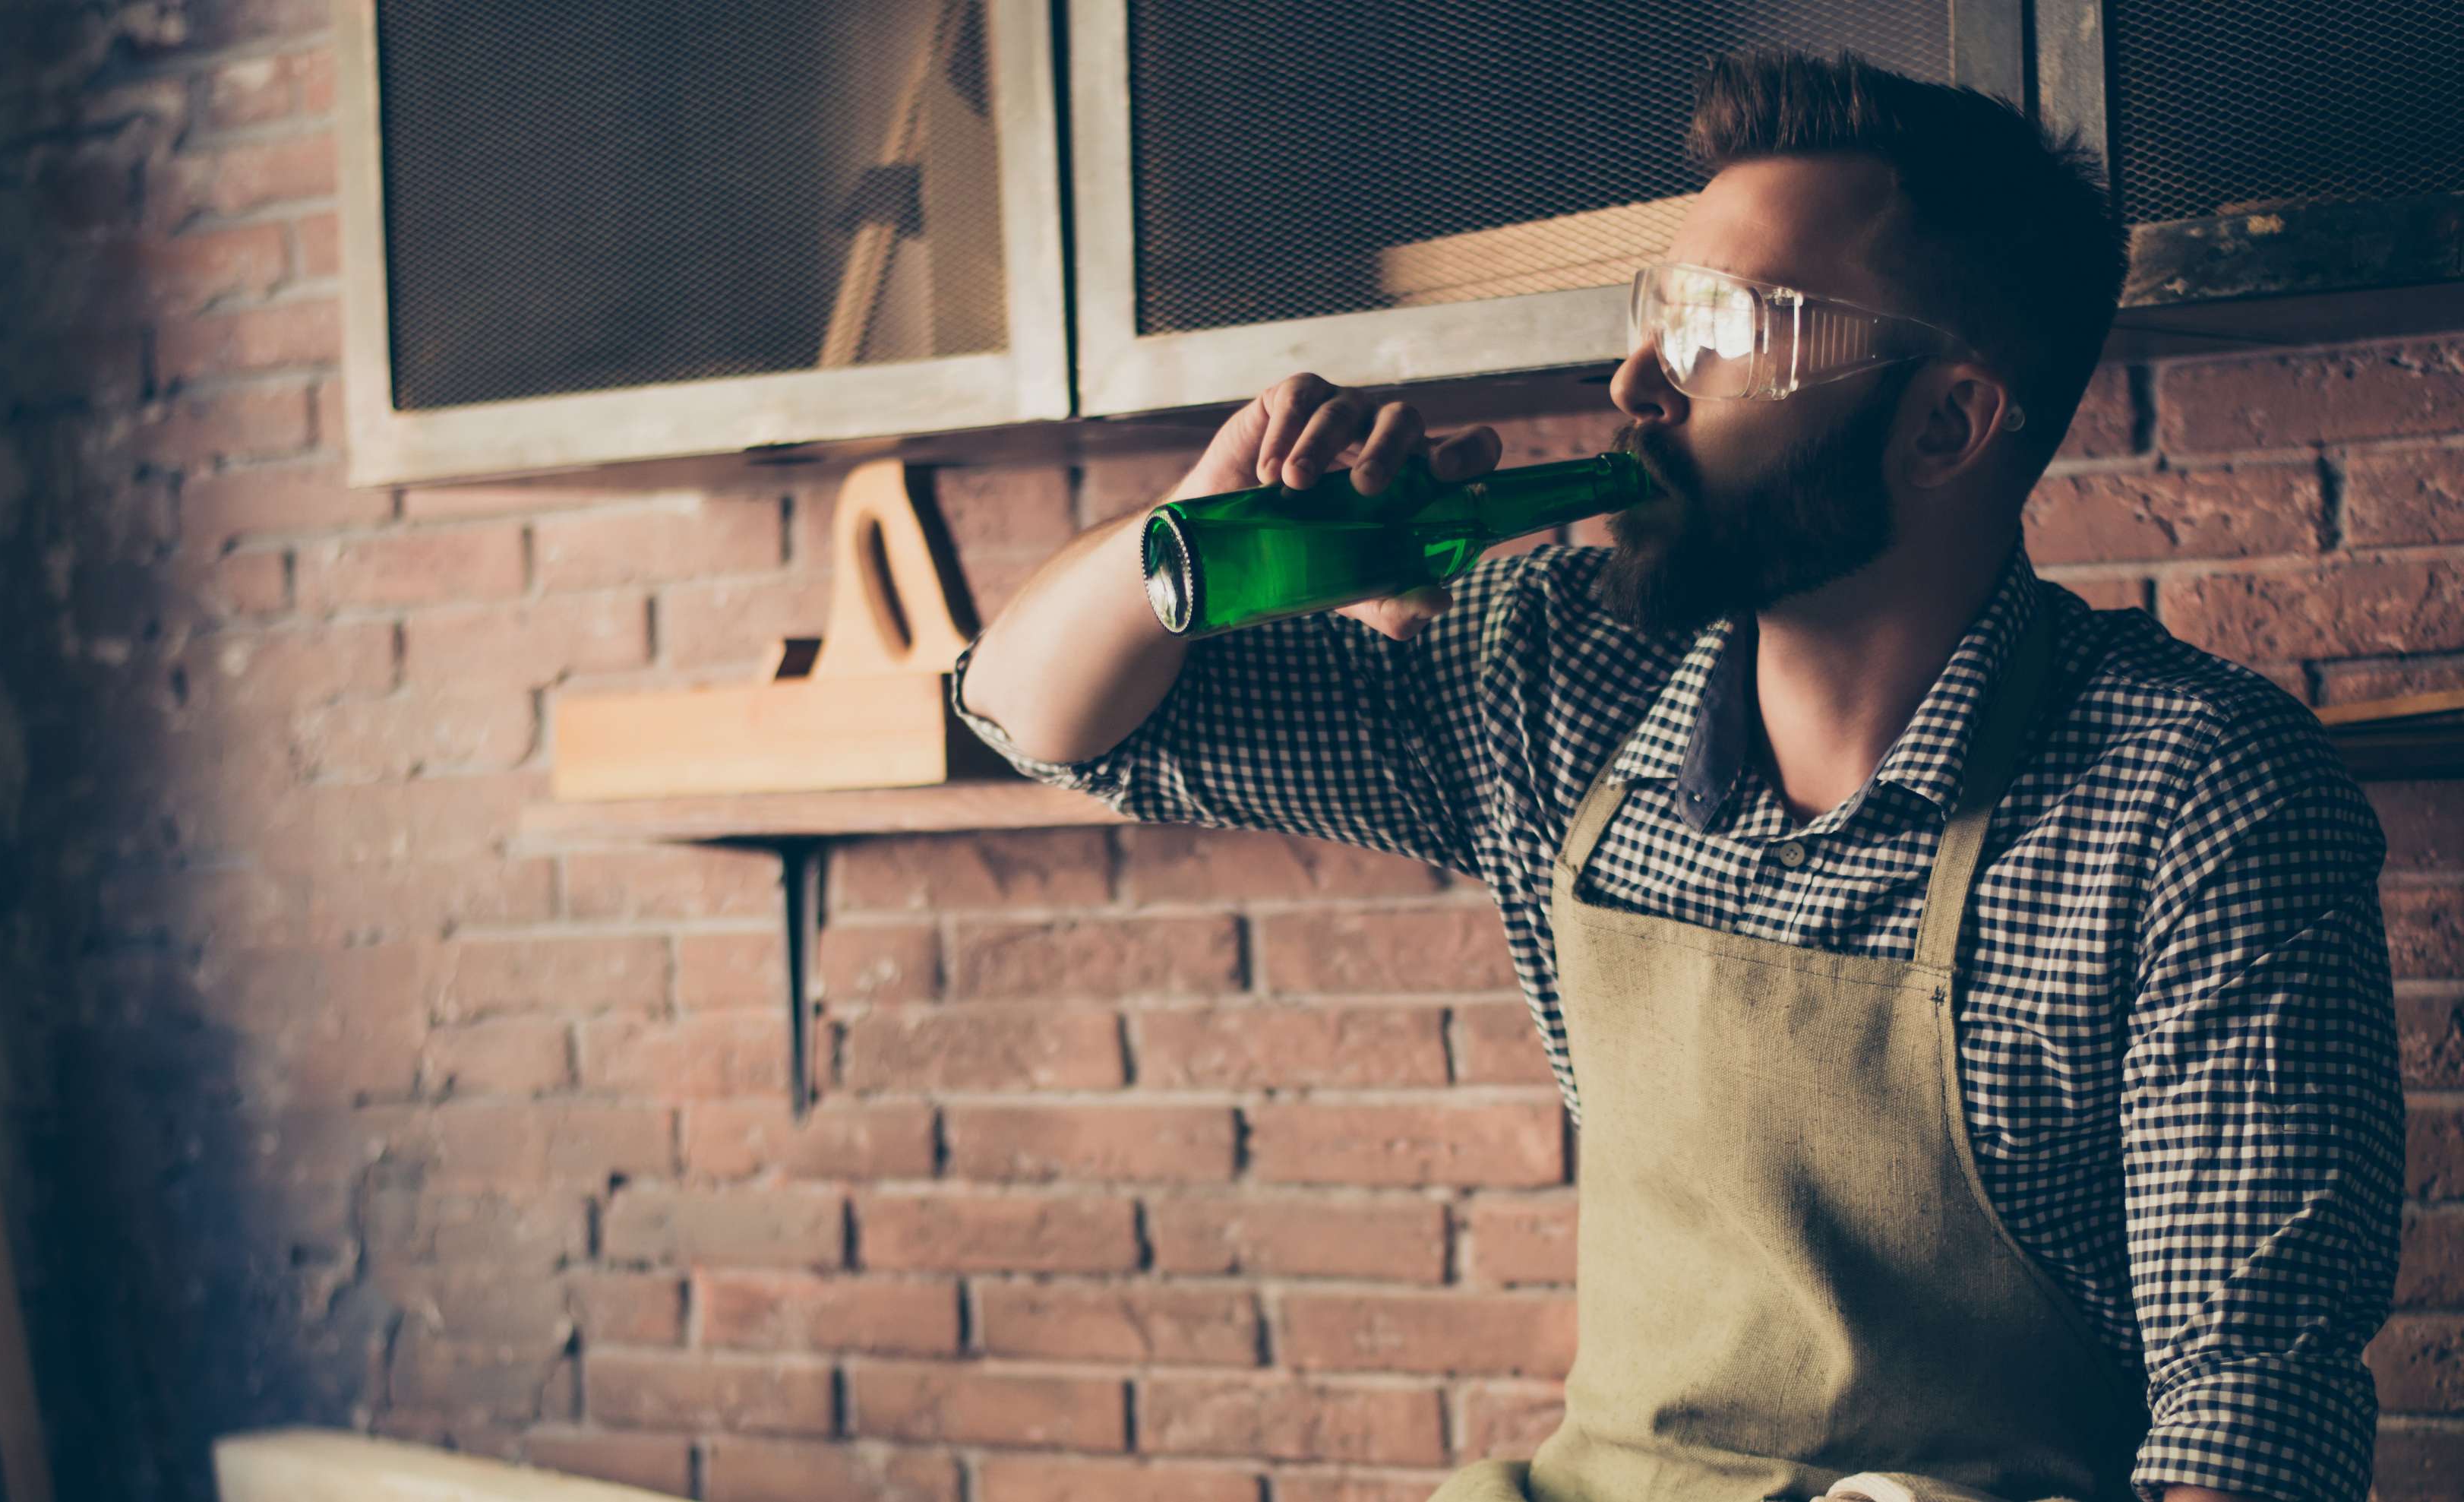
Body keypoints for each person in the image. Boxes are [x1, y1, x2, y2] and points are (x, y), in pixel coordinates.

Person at [952, 49, 2400, 1502]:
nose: (1638, 380)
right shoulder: (1557, 673)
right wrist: (1193, 540)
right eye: (1659, 311)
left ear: (1948, 421)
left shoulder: (2198, 800)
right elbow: (1040, 713)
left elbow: (2252, 1412)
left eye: (1726, 325)